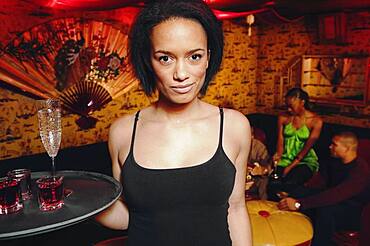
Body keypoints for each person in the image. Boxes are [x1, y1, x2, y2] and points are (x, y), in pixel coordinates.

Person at [95, 1, 252, 245]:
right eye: (165, 58)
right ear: (149, 60)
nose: (181, 74)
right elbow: (129, 217)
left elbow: (236, 209)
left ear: (208, 58)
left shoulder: (234, 126)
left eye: (194, 56)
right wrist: (80, 205)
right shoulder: (123, 132)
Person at [278, 132, 370, 246]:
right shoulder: (335, 161)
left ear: (347, 148)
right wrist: (295, 196)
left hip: (354, 211)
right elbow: (323, 186)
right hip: (335, 199)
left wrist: (299, 204)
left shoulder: (360, 170)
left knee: (325, 211)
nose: (330, 147)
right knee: (298, 192)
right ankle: (289, 237)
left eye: (334, 144)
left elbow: (337, 194)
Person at [268, 87, 323, 199]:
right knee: (272, 183)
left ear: (302, 102)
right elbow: (280, 140)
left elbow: (306, 149)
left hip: (304, 160)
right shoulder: (283, 118)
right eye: (286, 106)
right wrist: (277, 157)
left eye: (291, 106)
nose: (288, 110)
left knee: (292, 181)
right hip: (285, 157)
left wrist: (291, 166)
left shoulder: (316, 121)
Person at [247, 127, 270, 199]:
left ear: (252, 136)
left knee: (263, 180)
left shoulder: (259, 147)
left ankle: (263, 203)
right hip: (238, 177)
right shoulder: (232, 146)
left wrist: (261, 170)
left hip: (254, 179)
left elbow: (267, 168)